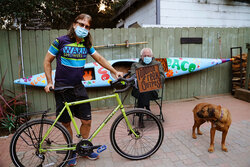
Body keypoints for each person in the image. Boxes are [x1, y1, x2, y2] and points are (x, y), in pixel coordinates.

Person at [43, 13, 123, 166]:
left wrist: (114, 71)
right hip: (62, 87)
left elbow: (99, 58)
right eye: (81, 25)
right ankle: (71, 150)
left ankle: (84, 147)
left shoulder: (86, 44)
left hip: (78, 87)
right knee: (66, 123)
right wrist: (49, 82)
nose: (84, 28)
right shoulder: (60, 41)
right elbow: (47, 60)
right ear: (74, 24)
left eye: (87, 26)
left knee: (86, 120)